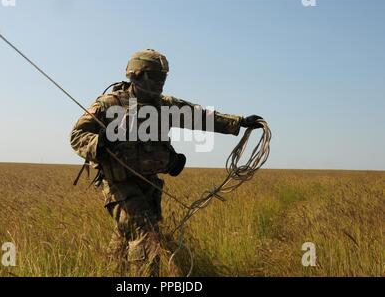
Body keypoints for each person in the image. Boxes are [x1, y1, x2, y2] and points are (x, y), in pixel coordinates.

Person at [70, 49, 262, 276]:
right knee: (147, 237)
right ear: (136, 75)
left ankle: (112, 272)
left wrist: (238, 123)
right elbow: (77, 136)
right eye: (155, 76)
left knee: (124, 237)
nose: (160, 82)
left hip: (149, 185)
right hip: (119, 184)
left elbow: (200, 116)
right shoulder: (109, 104)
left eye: (163, 77)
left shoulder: (165, 106)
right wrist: (99, 142)